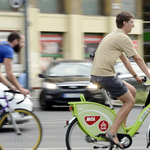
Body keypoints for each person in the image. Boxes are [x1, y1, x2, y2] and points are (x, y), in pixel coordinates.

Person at [90, 11, 150, 149]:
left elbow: (125, 60)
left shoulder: (113, 35)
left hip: (101, 75)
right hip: (105, 76)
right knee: (130, 101)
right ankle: (112, 133)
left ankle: (122, 128)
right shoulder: (122, 38)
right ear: (124, 23)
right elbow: (138, 59)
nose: (133, 25)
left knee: (132, 91)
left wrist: (136, 77)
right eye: (132, 22)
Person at [0, 31, 30, 96]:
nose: (23, 45)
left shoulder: (3, 44)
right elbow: (10, 74)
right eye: (22, 42)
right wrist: (21, 89)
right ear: (16, 41)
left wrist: (10, 86)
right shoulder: (8, 50)